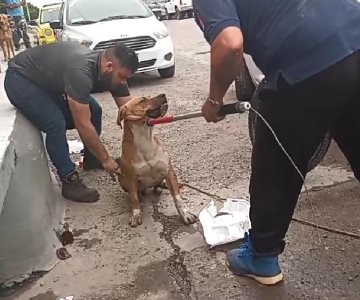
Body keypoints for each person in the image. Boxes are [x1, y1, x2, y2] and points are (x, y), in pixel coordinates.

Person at [193, 0, 360, 285]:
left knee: (274, 163)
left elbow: (230, 43)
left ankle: (262, 256)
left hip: (306, 61)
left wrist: (215, 100)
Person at [4, 41, 139, 203]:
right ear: (109, 67)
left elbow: (128, 109)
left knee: (94, 110)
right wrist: (106, 159)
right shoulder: (80, 72)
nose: (124, 83)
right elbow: (82, 124)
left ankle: (91, 159)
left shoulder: (111, 73)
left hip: (46, 83)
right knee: (55, 123)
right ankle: (69, 181)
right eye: (122, 77)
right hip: (20, 79)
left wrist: (145, 126)